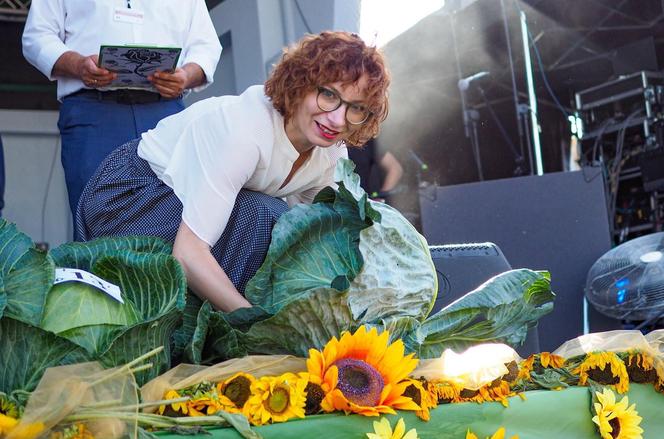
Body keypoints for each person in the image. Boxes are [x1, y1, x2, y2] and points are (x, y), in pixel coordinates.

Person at [76, 31, 390, 313]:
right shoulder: (245, 132)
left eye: (356, 107)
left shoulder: (331, 152)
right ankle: (223, 329)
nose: (337, 119)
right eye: (329, 95)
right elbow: (188, 253)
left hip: (192, 210)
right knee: (264, 215)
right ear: (300, 84)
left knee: (286, 224)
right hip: (131, 195)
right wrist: (256, 324)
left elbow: (325, 239)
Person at [22, 0, 222, 216]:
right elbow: (37, 36)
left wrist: (186, 75)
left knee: (174, 214)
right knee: (96, 217)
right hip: (93, 112)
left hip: (165, 112)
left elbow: (206, 45)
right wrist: (79, 65)